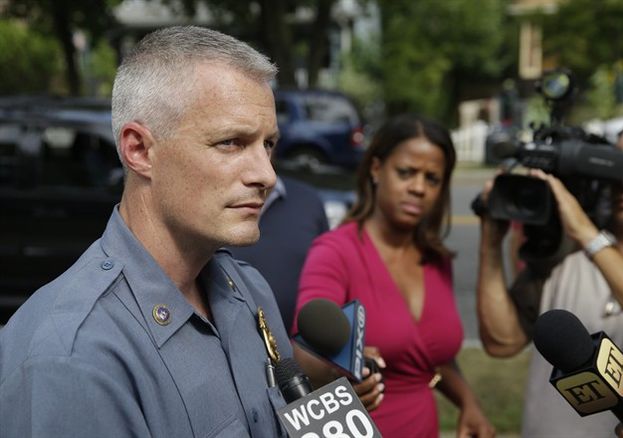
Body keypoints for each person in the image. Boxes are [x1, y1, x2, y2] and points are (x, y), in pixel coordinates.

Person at [0, 26, 292, 437]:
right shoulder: (73, 356)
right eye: (230, 143)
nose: (266, 174)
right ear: (138, 150)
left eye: (268, 144)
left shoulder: (248, 291)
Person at [293, 114, 495, 437]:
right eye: (406, 173)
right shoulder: (334, 252)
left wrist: (468, 401)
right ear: (376, 169)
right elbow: (305, 352)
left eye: (432, 179)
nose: (418, 188)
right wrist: (339, 373)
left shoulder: (437, 259)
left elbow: (430, 358)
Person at [477, 121, 623, 437]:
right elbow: (502, 343)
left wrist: (586, 233)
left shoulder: (584, 237)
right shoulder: (567, 255)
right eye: (622, 169)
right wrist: (490, 244)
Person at [229, 174, 329, 330]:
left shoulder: (308, 201)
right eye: (231, 147)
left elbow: (324, 278)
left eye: (268, 147)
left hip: (293, 345)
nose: (266, 174)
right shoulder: (209, 201)